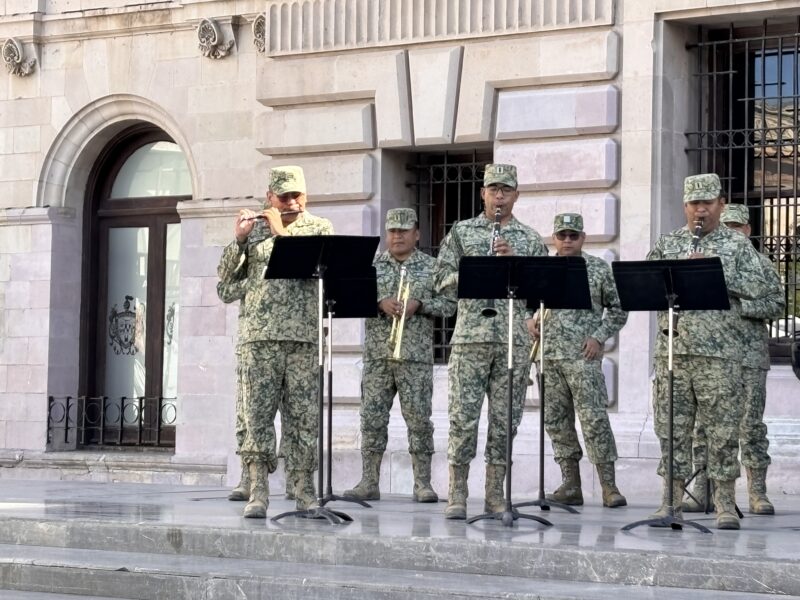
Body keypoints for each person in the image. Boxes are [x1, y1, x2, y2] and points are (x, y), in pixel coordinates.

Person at [646, 173, 769, 530]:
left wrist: (713, 272)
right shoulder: (668, 244)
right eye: (694, 203)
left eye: (708, 202)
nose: (701, 209)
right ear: (685, 206)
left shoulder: (737, 245)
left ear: (720, 204)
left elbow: (760, 288)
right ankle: (670, 502)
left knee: (722, 431)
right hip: (674, 354)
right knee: (671, 430)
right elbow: (644, 283)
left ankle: (725, 504)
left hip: (720, 357)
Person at [217, 165, 333, 518]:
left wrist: (281, 230)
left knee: (303, 420)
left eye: (296, 195)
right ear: (269, 197)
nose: (291, 202)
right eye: (283, 197)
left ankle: (304, 491)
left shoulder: (319, 228)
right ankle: (258, 492)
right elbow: (224, 284)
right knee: (257, 418)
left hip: (303, 339)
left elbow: (316, 267)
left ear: (306, 195)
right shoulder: (254, 231)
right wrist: (239, 240)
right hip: (259, 340)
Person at [434, 163, 548, 520]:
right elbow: (439, 278)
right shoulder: (462, 231)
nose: (499, 196)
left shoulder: (529, 238)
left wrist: (516, 263)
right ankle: (456, 494)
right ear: (482, 193)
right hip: (470, 339)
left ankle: (496, 495)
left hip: (512, 342)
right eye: (493, 189)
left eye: (506, 190)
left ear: (516, 195)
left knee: (505, 422)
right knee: (463, 419)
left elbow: (545, 289)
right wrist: (473, 270)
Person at [343, 208, 456, 503]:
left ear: (416, 234)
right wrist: (380, 302)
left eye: (404, 231)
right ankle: (369, 481)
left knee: (419, 421)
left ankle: (422, 484)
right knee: (371, 419)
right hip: (379, 356)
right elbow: (350, 299)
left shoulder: (432, 267)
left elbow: (450, 305)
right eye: (392, 230)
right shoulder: (372, 265)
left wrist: (421, 303)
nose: (397, 236)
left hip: (415, 357)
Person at [683, 203, 785, 515]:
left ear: (748, 230)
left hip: (748, 358)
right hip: (712, 357)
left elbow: (777, 304)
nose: (732, 233)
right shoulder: (707, 264)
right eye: (727, 226)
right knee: (704, 428)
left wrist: (741, 308)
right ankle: (703, 489)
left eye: (737, 227)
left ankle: (757, 492)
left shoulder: (760, 264)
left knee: (750, 427)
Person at [534, 213, 628, 508]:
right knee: (557, 423)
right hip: (548, 357)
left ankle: (609, 486)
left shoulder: (598, 269)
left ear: (583, 238)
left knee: (595, 421)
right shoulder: (542, 269)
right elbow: (526, 303)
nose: (567, 241)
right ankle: (570, 484)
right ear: (554, 239)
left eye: (573, 235)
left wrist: (599, 337)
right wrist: (529, 321)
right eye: (562, 236)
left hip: (582, 359)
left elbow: (618, 309)